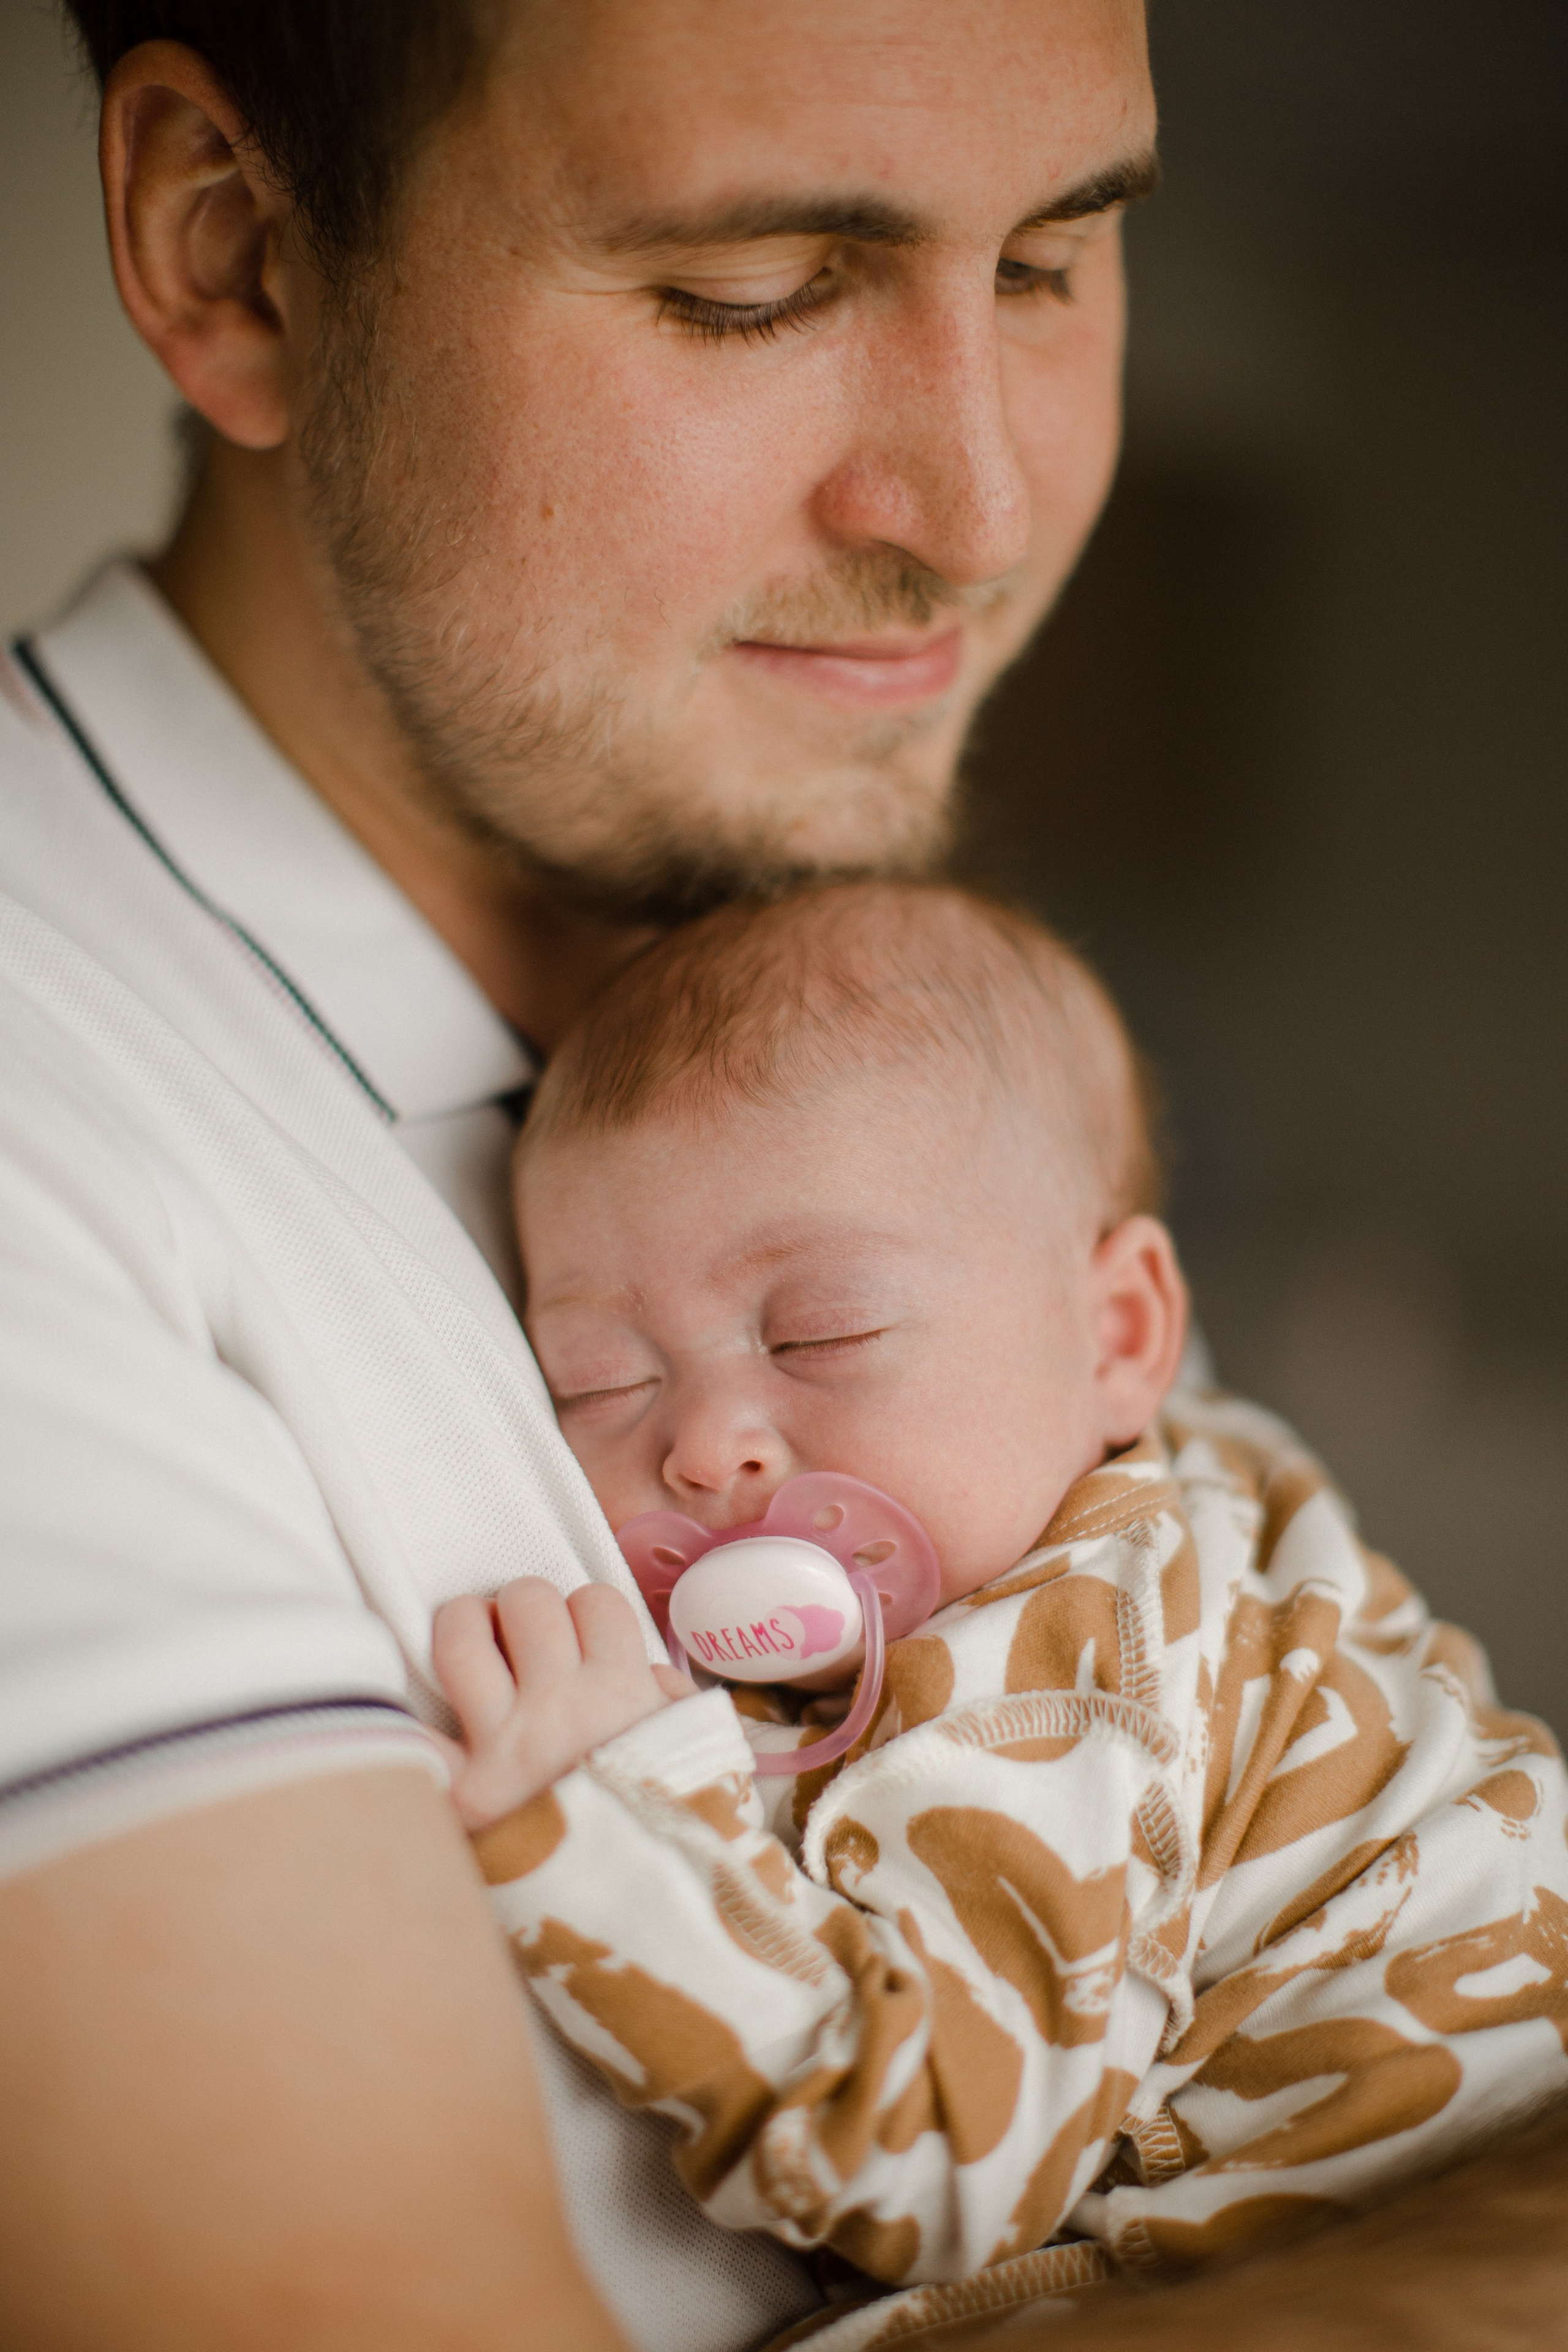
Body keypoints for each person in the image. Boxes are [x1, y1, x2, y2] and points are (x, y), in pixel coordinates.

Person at [0, 3, 1564, 2346]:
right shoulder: (61, 1131)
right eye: (758, 288)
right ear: (233, 252)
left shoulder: (875, 1047)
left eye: (1053, 261)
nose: (983, 513)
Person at [429, 882, 1568, 2336]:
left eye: (818, 1331)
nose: (708, 1444)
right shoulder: (1162, 1461)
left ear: (1119, 1334)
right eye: (598, 1379)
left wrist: (612, 1825)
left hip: (1378, 2227)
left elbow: (932, 2160)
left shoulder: (1058, 1673)